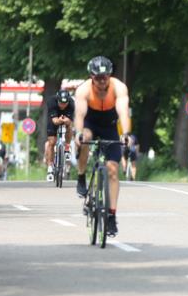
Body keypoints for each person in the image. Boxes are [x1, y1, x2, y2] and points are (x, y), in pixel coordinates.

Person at [74, 56, 131, 237]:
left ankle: (112, 216)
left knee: (113, 170)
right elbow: (80, 115)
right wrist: (78, 133)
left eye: (105, 76)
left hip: (109, 126)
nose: (102, 80)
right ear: (91, 76)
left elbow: (123, 112)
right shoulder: (83, 90)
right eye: (97, 77)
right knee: (85, 139)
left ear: (110, 75)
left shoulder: (119, 87)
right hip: (90, 123)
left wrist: (125, 134)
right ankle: (81, 176)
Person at [45, 89, 75, 181]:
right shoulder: (51, 102)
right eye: (61, 103)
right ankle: (50, 167)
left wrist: (66, 121)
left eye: (65, 103)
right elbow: (54, 121)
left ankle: (67, 147)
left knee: (69, 126)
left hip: (66, 116)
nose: (63, 105)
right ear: (57, 100)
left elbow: (69, 120)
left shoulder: (71, 103)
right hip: (54, 117)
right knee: (51, 142)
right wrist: (60, 120)